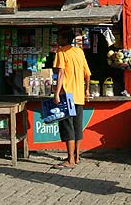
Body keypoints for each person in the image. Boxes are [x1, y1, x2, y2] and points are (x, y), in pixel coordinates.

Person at [52, 28, 91, 169]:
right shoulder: (79, 52)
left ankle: (70, 160)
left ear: (64, 39)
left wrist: (56, 93)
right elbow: (87, 73)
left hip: (67, 95)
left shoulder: (61, 52)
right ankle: (77, 156)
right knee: (77, 127)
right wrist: (86, 90)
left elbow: (61, 73)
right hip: (79, 95)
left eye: (59, 37)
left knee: (68, 128)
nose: (57, 40)